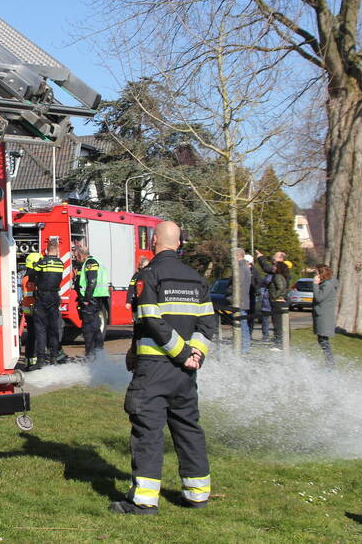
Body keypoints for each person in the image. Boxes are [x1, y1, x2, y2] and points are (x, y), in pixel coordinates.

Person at [112, 220, 216, 516]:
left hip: (155, 368)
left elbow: (150, 320)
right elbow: (207, 323)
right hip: (185, 374)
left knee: (147, 431)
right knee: (188, 428)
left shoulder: (149, 275)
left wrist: (180, 352)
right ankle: (197, 494)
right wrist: (194, 353)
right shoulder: (196, 279)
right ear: (179, 243)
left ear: (155, 240)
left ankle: (143, 501)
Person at [26, 239, 65, 369]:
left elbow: (32, 274)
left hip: (42, 298)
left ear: (47, 251)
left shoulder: (42, 263)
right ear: (58, 251)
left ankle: (40, 361)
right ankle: (53, 358)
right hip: (54, 298)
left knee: (40, 329)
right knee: (53, 329)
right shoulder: (60, 264)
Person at [73, 241, 110, 358]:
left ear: (81, 255)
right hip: (97, 298)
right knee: (95, 327)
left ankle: (90, 356)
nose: (76, 259)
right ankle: (98, 354)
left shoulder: (90, 263)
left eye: (76, 256)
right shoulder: (95, 262)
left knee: (88, 329)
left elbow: (92, 281)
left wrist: (86, 299)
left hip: (91, 300)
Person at [311, 264, 337, 367]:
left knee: (323, 340)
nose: (315, 275)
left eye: (316, 273)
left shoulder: (327, 285)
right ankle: (329, 363)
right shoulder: (326, 284)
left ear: (321, 273)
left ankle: (330, 364)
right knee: (321, 339)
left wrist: (315, 284)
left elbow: (319, 298)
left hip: (324, 315)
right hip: (322, 314)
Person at [233, 248, 253, 353]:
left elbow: (237, 284)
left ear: (238, 256)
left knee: (242, 324)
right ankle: (244, 346)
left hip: (240, 300)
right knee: (242, 324)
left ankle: (245, 347)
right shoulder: (245, 267)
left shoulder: (241, 268)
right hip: (242, 299)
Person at [268, 259, 291, 350]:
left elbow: (281, 287)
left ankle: (279, 344)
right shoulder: (282, 276)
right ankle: (282, 343)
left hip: (278, 302)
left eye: (274, 266)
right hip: (280, 302)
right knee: (280, 324)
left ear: (278, 268)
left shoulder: (277, 276)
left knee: (278, 324)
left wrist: (274, 296)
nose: (272, 267)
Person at [252, 252, 274, 343]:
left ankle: (271, 337)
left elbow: (266, 268)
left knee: (270, 319)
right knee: (265, 318)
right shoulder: (272, 272)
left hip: (270, 300)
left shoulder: (274, 272)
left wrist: (261, 257)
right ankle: (266, 335)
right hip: (266, 300)